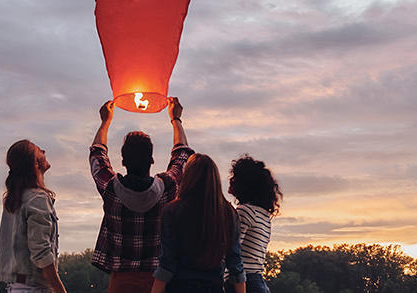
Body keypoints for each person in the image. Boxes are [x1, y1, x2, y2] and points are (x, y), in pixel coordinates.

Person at [89, 97, 194, 293]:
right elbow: (182, 156)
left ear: (123, 160)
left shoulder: (110, 189)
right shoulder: (168, 187)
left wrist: (105, 121)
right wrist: (176, 119)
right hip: (159, 282)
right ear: (152, 159)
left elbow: (97, 154)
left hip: (121, 282)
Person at [150, 153, 246, 293]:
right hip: (214, 287)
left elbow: (167, 263)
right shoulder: (228, 213)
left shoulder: (172, 210)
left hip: (180, 287)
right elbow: (235, 263)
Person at [0, 140, 67, 293]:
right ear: (35, 163)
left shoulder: (14, 199)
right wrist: (59, 288)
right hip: (35, 288)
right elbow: (41, 251)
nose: (44, 150)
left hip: (15, 287)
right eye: (39, 150)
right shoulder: (38, 198)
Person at [226, 154, 283, 293]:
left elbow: (232, 253)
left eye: (234, 176)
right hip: (258, 281)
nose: (231, 180)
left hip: (243, 283)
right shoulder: (263, 216)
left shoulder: (244, 212)